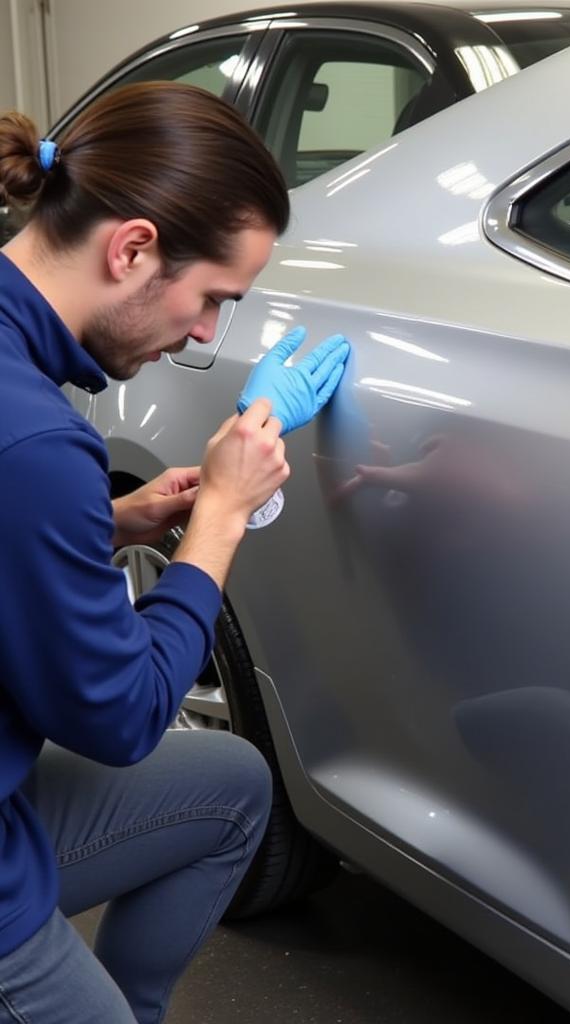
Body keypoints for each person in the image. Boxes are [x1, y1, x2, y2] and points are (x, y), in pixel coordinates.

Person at [0, 82, 349, 1023]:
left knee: (233, 785)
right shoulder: (33, 442)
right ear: (133, 248)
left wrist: (106, 524)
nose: (203, 334)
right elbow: (119, 720)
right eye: (212, 300)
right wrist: (220, 521)